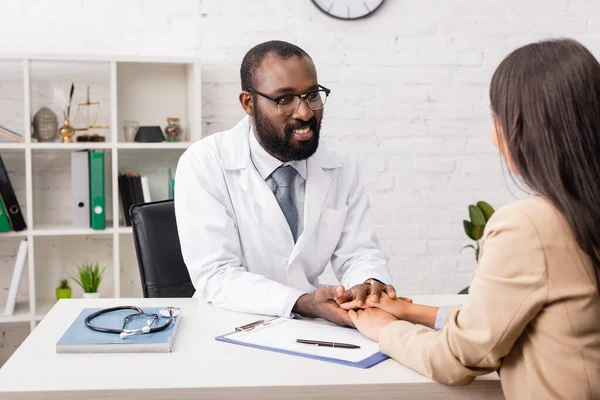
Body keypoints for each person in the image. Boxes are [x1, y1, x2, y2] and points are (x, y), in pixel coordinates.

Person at [345, 38, 600, 399]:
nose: (494, 137)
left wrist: (385, 329)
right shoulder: (581, 212)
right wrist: (411, 311)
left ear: (521, 129)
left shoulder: (530, 226)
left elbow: (458, 357)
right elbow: (516, 320)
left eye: (496, 117)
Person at [174, 40, 396, 327]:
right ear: (248, 103)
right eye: (285, 99)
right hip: (228, 325)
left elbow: (359, 251)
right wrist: (302, 302)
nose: (305, 113)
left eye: (312, 95)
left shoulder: (341, 168)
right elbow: (216, 275)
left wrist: (368, 281)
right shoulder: (204, 163)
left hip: (311, 326)